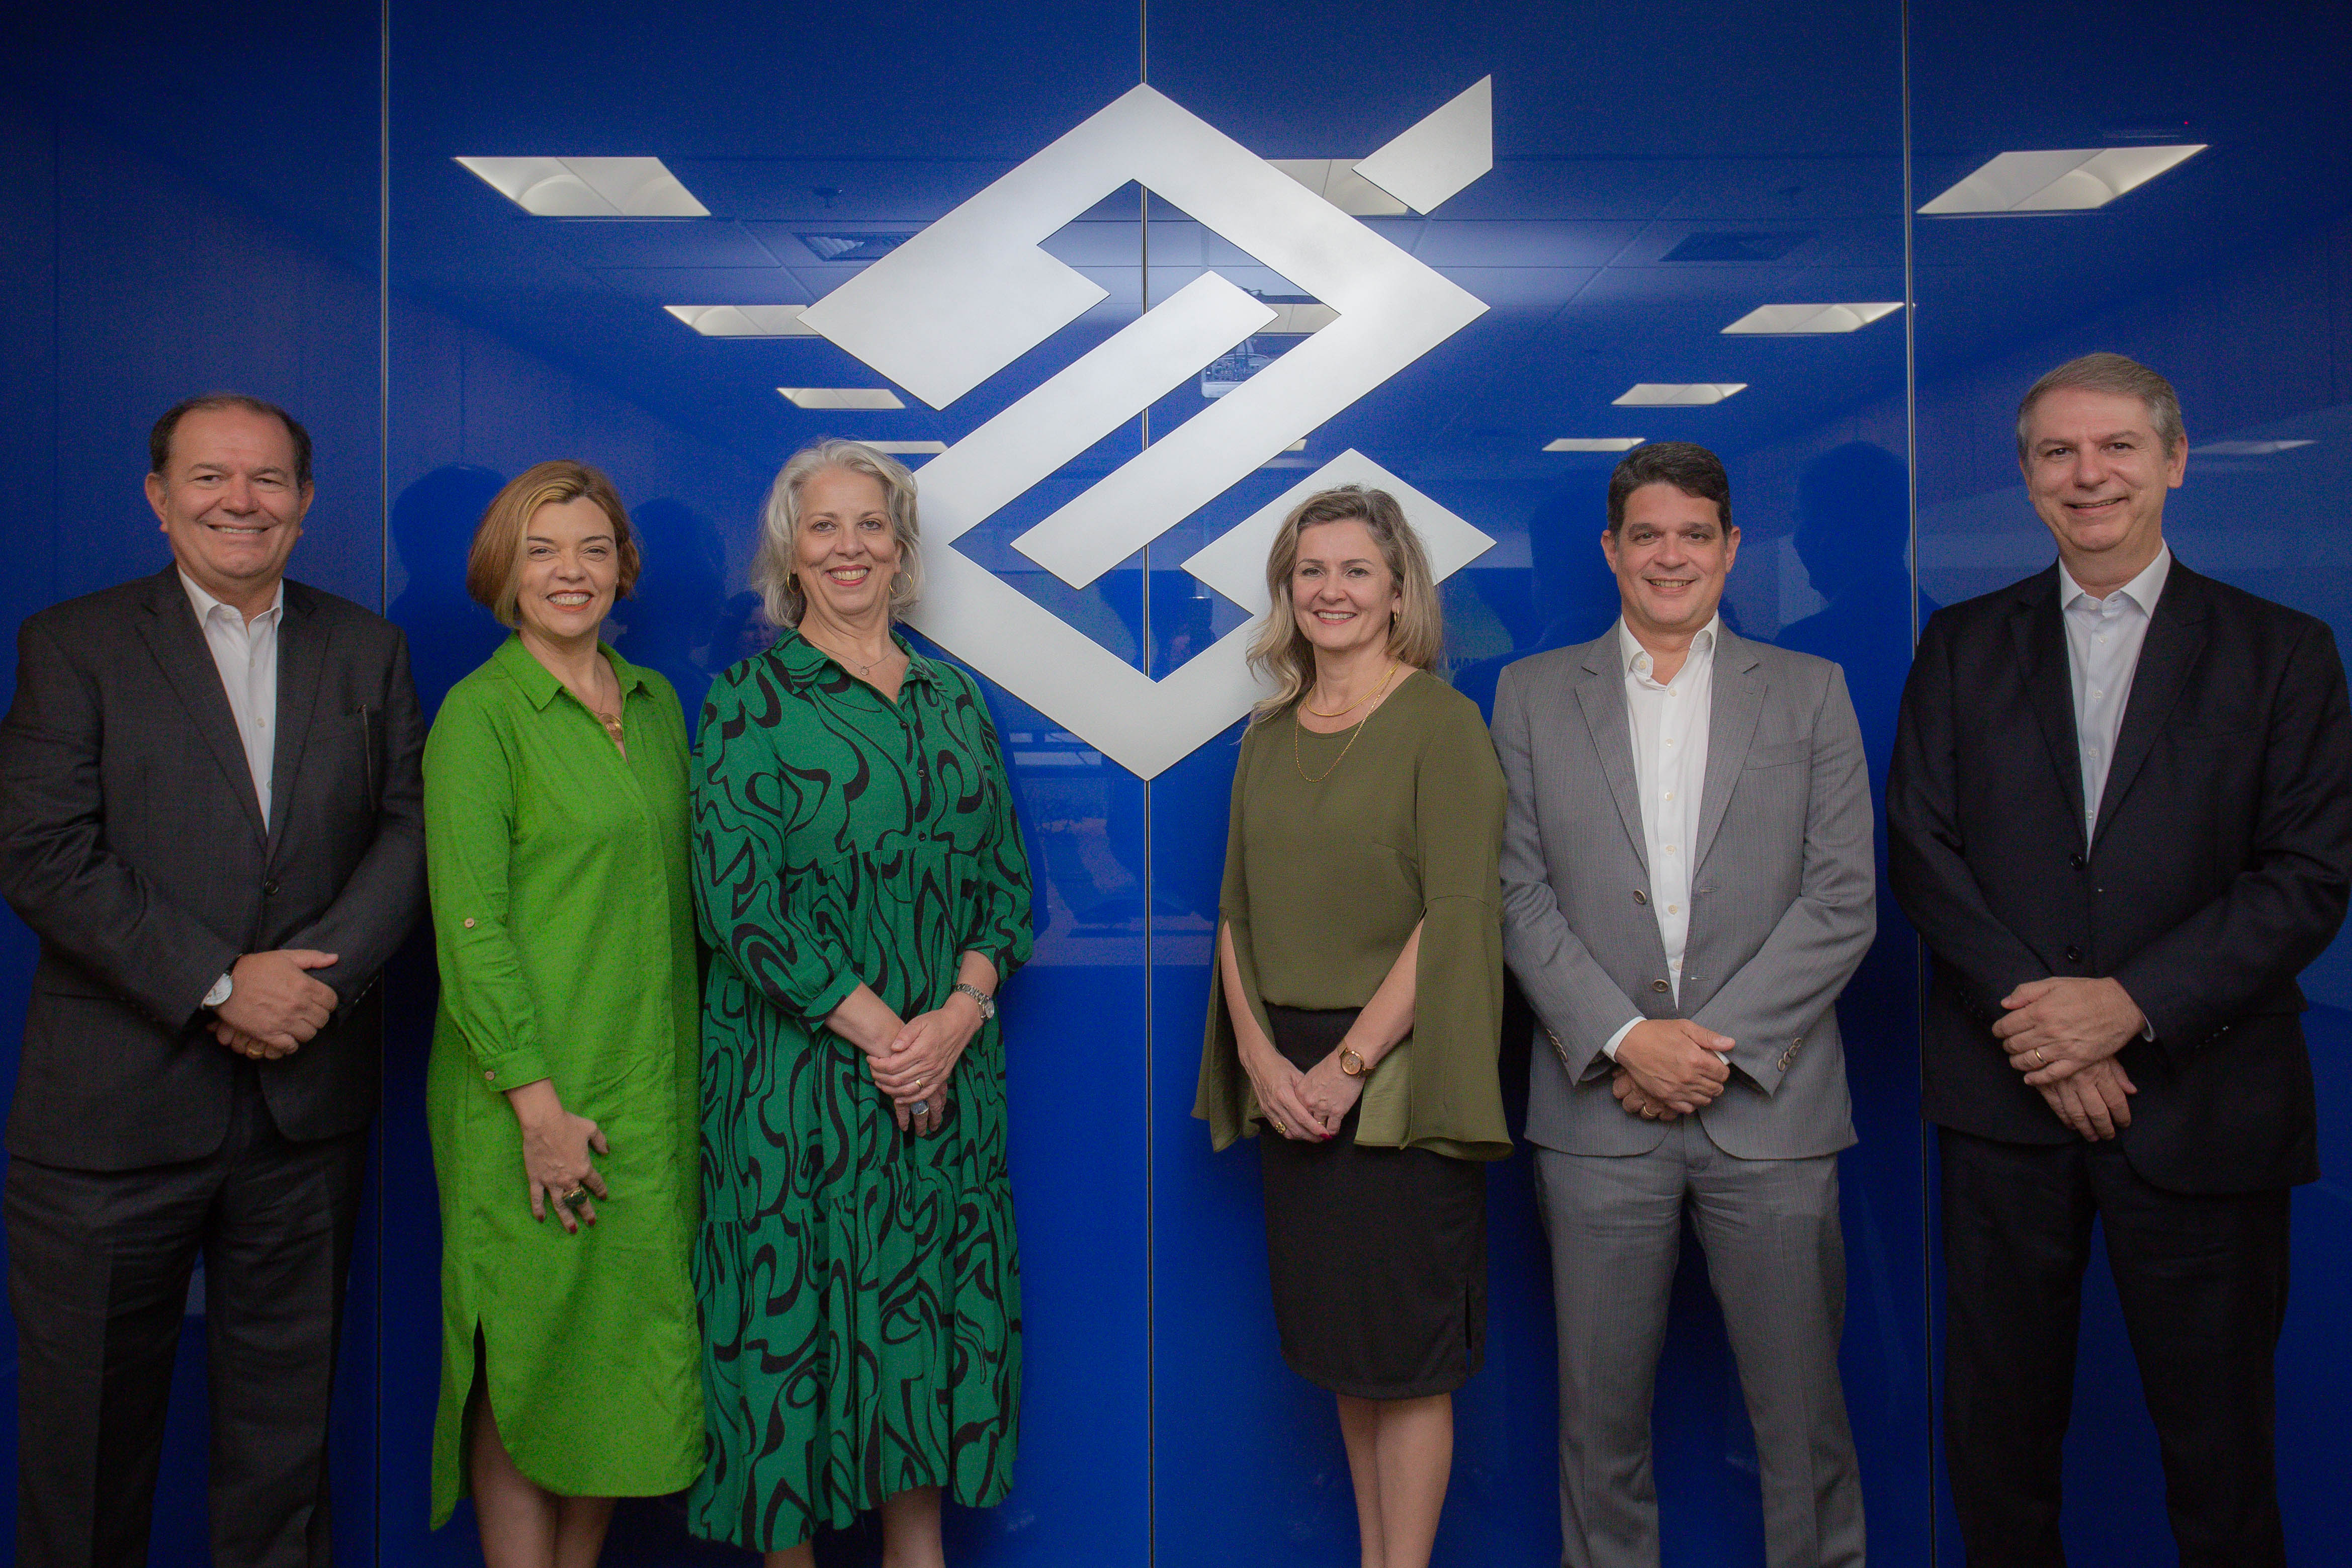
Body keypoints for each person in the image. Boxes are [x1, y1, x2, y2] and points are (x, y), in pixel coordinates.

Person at [1888, 353, 2352, 1568]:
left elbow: (2305, 877)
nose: (2085, 475)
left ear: (2171, 461)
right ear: (2028, 476)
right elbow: (1923, 853)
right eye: (2055, 452)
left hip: (2202, 1104)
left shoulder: (2282, 652)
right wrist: (2047, 1028)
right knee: (1996, 1444)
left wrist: (2127, 1007)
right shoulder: (1960, 645)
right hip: (2005, 1105)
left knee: (2220, 1453)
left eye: (2113, 449)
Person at [0, 392, 426, 1567]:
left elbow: (408, 833)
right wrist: (219, 984)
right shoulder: (71, 642)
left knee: (281, 1462)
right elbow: (41, 850)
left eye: (269, 480)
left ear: (304, 501)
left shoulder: (365, 648)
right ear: (158, 497)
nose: (240, 501)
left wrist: (314, 990)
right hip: (111, 1122)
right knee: (83, 1460)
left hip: (302, 1116)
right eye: (209, 478)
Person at [1495, 442, 1874, 1568]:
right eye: (1646, 535)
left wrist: (1710, 1050)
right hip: (1597, 1113)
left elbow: (1842, 896)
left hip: (1773, 1107)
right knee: (1597, 1426)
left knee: (1800, 1427)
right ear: (1610, 550)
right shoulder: (1526, 692)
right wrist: (1625, 1039)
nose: (1670, 556)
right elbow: (1512, 889)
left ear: (1730, 548)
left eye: (1693, 534)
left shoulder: (1809, 690)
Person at [688, 439, 1032, 1566]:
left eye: (869, 524)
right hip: (796, 1101)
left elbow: (1004, 892)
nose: (848, 546)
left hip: (937, 1103)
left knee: (917, 1367)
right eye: (823, 526)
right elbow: (737, 904)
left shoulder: (954, 696)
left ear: (902, 547)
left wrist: (953, 1020)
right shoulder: (747, 700)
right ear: (790, 550)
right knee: (793, 1371)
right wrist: (892, 1036)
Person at [1195, 485, 1509, 1568]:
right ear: (1287, 589)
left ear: (1396, 590)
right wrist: (1254, 1056)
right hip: (1285, 1073)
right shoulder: (1269, 728)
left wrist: (1344, 1064)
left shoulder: (1440, 723)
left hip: (1396, 1078)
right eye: (1310, 569)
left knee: (1408, 1356)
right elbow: (1232, 907)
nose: (1330, 590)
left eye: (1354, 570)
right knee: (1346, 1351)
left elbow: (1457, 913)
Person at [421, 462, 703, 1562]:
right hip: (526, 1094)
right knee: (526, 1355)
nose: (570, 572)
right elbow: (471, 930)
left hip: (647, 1090)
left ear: (624, 568)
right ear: (505, 569)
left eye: (591, 549)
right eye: (543, 551)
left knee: (618, 1357)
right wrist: (536, 1105)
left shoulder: (655, 703)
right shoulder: (480, 716)